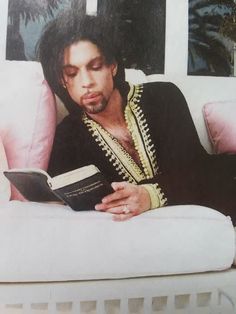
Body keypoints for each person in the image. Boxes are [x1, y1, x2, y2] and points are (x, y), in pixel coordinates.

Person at [37, 11, 236, 222]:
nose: (86, 82)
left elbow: (193, 170)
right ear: (62, 80)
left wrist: (149, 195)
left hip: (200, 219)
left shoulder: (163, 98)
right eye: (72, 73)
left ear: (113, 66)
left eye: (95, 67)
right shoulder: (68, 136)